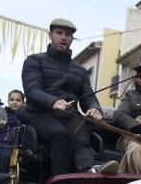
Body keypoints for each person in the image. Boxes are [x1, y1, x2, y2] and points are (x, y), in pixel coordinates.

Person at [20, 18, 103, 175]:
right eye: (59, 33)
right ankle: (60, 181)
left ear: (72, 39)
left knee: (81, 134)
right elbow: (32, 91)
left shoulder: (80, 71)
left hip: (69, 115)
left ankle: (89, 172)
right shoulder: (34, 61)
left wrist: (94, 108)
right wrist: (53, 102)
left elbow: (88, 97)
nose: (63, 37)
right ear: (50, 35)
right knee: (60, 134)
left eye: (68, 35)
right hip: (40, 114)